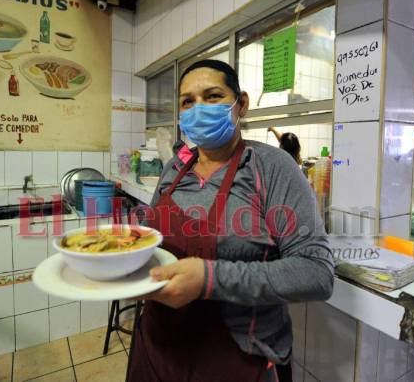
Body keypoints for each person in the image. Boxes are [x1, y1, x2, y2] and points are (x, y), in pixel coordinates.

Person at [128, 59, 334, 382]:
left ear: (242, 105)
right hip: (158, 351)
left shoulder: (273, 168)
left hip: (238, 361)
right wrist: (128, 270)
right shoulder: (174, 170)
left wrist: (209, 279)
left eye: (212, 97)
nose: (198, 109)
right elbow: (149, 243)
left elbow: (317, 272)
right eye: (188, 102)